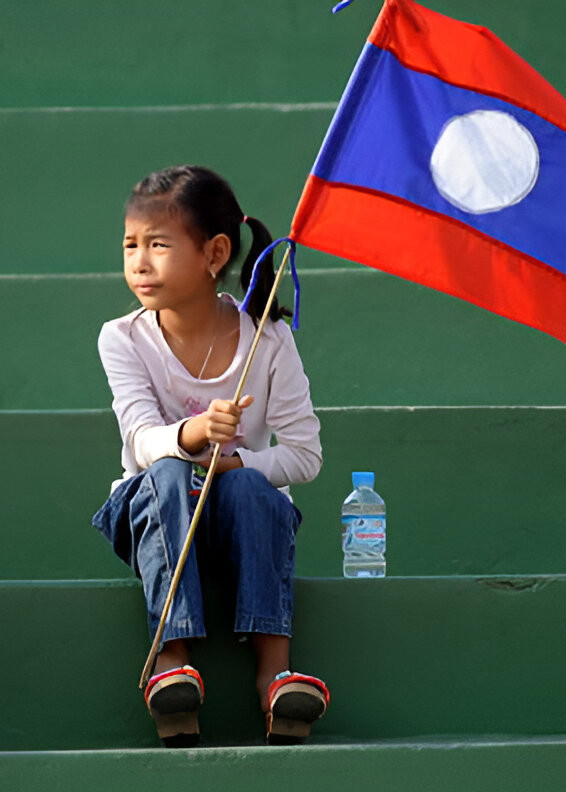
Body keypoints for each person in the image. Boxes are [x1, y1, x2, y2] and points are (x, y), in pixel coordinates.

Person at [92, 165, 329, 747]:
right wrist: (196, 431)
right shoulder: (122, 338)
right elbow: (142, 441)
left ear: (215, 252)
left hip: (237, 519)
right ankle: (172, 663)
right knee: (169, 469)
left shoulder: (267, 338)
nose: (140, 262)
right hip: (154, 511)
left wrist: (239, 464)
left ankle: (275, 675)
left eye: (159, 245)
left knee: (253, 488)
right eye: (130, 245)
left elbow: (305, 455)